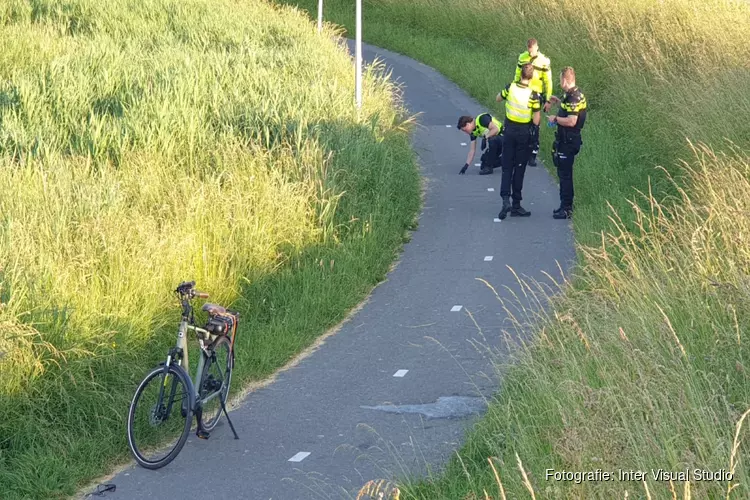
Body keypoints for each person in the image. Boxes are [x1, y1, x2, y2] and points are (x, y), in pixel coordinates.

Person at [495, 63, 542, 219]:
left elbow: (498, 99)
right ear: (532, 77)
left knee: (507, 166)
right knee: (519, 168)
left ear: (520, 74)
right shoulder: (533, 95)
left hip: (509, 131)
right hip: (523, 133)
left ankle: (505, 200)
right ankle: (516, 205)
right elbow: (536, 119)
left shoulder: (511, 88)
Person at [547, 66, 587, 219]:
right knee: (564, 173)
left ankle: (566, 208)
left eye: (560, 80)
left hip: (568, 140)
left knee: (565, 175)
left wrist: (555, 119)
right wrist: (559, 103)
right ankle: (565, 205)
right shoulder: (574, 94)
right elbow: (569, 110)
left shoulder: (572, 97)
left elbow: (571, 121)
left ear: (564, 80)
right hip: (568, 139)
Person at [514, 38, 552, 167]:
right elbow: (517, 75)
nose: (530, 54)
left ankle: (533, 154)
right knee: (523, 122)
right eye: (528, 51)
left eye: (532, 51)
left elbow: (548, 81)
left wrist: (547, 99)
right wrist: (515, 89)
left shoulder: (543, 61)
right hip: (524, 92)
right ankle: (522, 149)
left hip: (537, 94)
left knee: (535, 125)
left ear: (537, 47)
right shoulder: (522, 57)